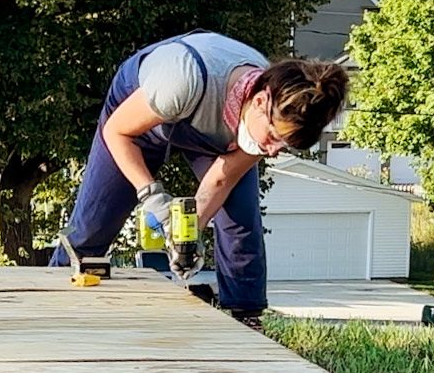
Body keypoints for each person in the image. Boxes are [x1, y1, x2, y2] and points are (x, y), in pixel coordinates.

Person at [49, 31, 349, 328]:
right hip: (139, 117)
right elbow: (117, 132)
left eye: (282, 145)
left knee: (240, 220)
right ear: (259, 102)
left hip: (212, 122)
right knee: (95, 221)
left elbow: (221, 180)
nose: (271, 152)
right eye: (272, 138)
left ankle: (246, 317)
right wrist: (151, 194)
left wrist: (186, 238)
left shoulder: (272, 111)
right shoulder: (182, 80)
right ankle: (49, 299)